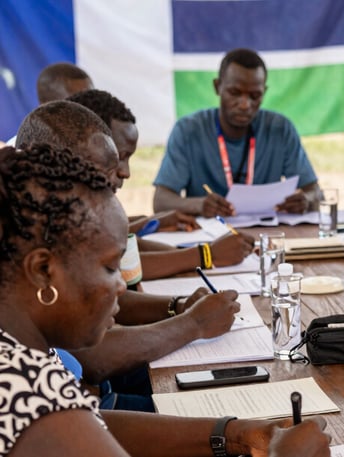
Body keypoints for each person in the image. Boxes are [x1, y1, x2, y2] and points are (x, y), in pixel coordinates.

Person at [0, 143, 331, 456]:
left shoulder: (22, 355)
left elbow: (90, 419)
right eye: (110, 267)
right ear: (43, 270)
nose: (121, 287)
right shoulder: (22, 387)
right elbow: (64, 420)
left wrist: (239, 435)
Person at [15, 100, 244, 411]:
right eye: (113, 163)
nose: (124, 172)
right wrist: (193, 321)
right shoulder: (25, 242)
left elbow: (107, 286)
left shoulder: (59, 220)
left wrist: (176, 307)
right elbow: (93, 358)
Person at [67, 89, 254, 280]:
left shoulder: (88, 204)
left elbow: (124, 244)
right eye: (119, 158)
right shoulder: (58, 209)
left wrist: (150, 225)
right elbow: (117, 268)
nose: (126, 172)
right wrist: (206, 255)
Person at [153, 48, 320, 217]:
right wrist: (200, 205)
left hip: (267, 234)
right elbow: (161, 201)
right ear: (218, 87)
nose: (245, 104)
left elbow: (315, 192)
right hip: (209, 237)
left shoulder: (280, 129)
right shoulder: (189, 131)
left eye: (255, 96)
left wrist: (306, 199)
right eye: (235, 93)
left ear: (264, 92)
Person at [5, 61, 94, 146]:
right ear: (47, 106)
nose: (89, 109)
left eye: (93, 98)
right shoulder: (17, 153)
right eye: (78, 102)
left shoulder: (101, 145)